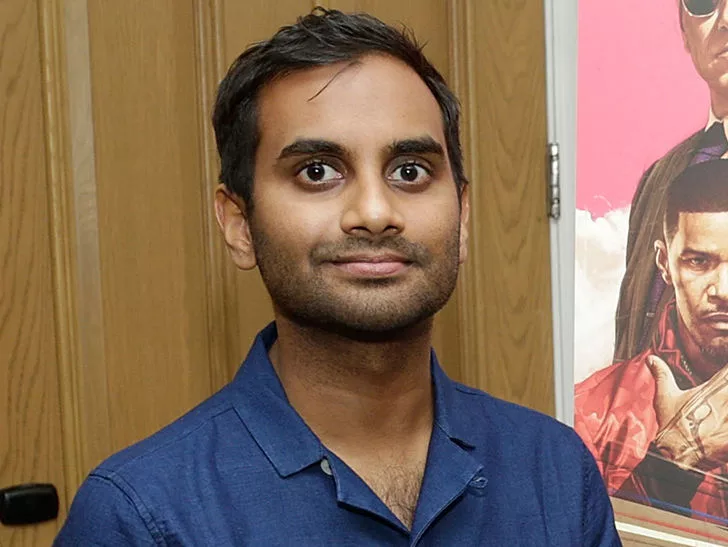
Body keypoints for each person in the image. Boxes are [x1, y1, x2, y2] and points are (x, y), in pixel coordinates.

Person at [55, 9, 619, 545]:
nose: (374, 212)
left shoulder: (555, 472)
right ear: (239, 224)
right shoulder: (142, 515)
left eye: (410, 171)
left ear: (463, 217)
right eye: (317, 172)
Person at [577, 159, 728, 524]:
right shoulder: (591, 413)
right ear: (664, 262)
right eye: (699, 261)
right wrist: (677, 457)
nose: (723, 290)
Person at [615, 0, 728, 362]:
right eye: (703, 3)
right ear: (683, 30)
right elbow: (631, 336)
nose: (726, 20)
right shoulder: (660, 176)